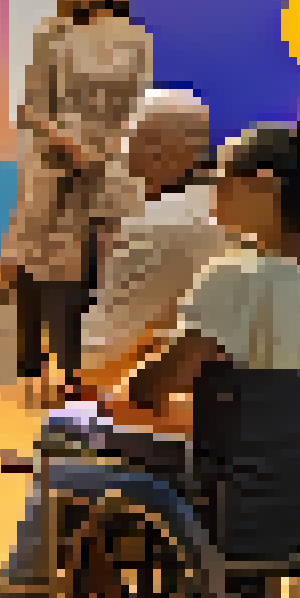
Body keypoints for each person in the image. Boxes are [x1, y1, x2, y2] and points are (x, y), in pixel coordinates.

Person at [0, 123, 300, 598]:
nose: (213, 190)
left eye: (224, 178)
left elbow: (153, 390)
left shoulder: (236, 277)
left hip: (229, 493)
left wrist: (113, 390)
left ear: (266, 187)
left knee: (67, 432)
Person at [0, 0, 156, 406]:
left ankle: (102, 371)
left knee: (111, 272)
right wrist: (69, 143)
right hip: (55, 161)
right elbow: (30, 107)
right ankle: (59, 372)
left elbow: (138, 108)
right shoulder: (51, 34)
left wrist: (107, 150)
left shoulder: (136, 38)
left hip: (113, 165)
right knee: (54, 275)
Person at [70, 88, 228, 399]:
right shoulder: (241, 214)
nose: (122, 151)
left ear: (159, 148)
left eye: (130, 138)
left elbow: (107, 346)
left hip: (180, 408)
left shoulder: (157, 223)